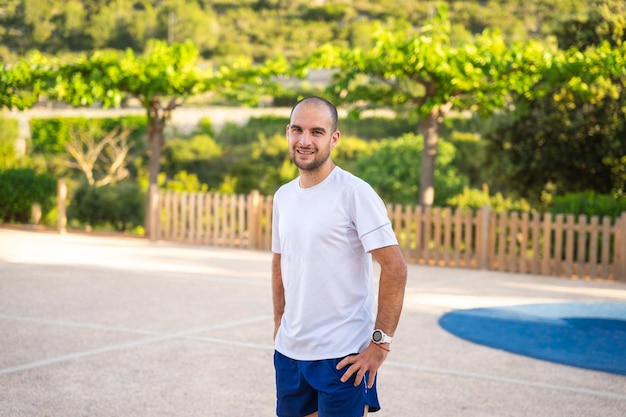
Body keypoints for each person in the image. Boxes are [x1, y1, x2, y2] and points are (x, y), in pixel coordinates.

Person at [271, 96, 408, 417]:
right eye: (297, 130)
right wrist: (279, 325)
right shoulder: (283, 196)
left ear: (334, 138)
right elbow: (280, 261)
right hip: (290, 353)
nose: (305, 141)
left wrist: (380, 344)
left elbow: (395, 269)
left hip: (343, 356)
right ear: (287, 132)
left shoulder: (355, 193)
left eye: (317, 132)